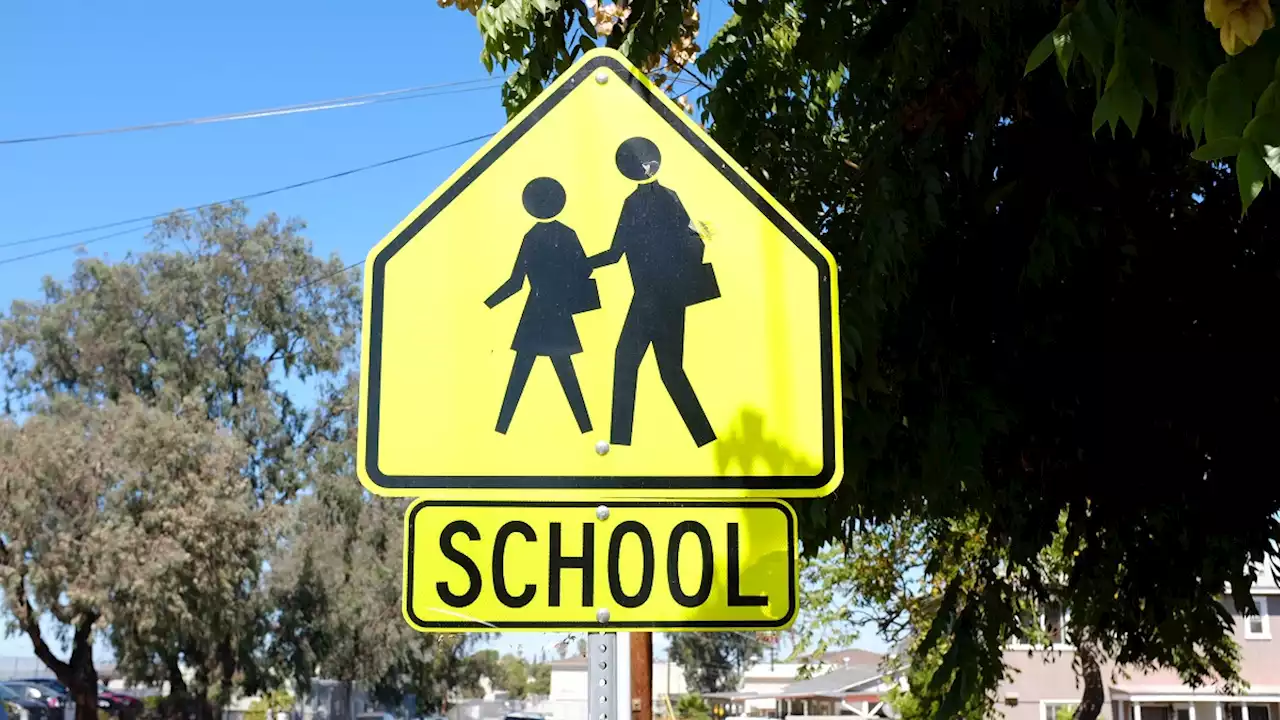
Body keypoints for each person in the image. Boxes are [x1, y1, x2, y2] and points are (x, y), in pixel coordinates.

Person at [589, 136, 719, 447]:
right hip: (672, 298)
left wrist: (582, 264)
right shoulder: (671, 197)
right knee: (671, 370)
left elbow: (616, 252)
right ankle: (705, 438)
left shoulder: (634, 203)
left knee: (626, 361)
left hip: (649, 298)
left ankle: (620, 444)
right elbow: (697, 237)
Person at [486, 176, 599, 434]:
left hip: (536, 312)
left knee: (522, 371)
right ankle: (586, 429)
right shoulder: (568, 234)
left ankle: (501, 429)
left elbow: (515, 283)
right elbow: (584, 270)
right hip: (558, 312)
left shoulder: (532, 236)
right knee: (563, 370)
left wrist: (489, 303)